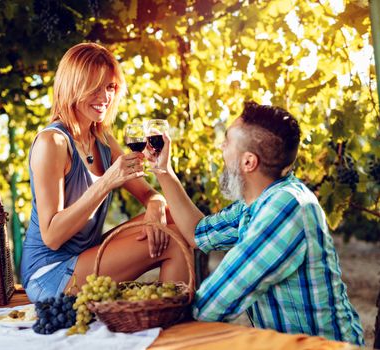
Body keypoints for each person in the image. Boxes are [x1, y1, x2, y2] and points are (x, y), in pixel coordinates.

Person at [146, 101, 364, 345]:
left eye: (227, 141)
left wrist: (150, 319)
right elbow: (198, 233)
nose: (221, 147)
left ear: (248, 162)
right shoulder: (259, 202)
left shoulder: (286, 207)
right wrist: (162, 170)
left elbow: (211, 304)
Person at [20, 42, 190, 302]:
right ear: (73, 86)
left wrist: (156, 205)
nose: (105, 97)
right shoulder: (52, 143)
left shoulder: (102, 140)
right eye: (95, 87)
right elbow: (52, 236)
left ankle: (166, 317)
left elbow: (149, 194)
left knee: (171, 218)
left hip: (85, 255)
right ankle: (173, 329)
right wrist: (107, 182)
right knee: (174, 240)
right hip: (49, 274)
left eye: (110, 87)